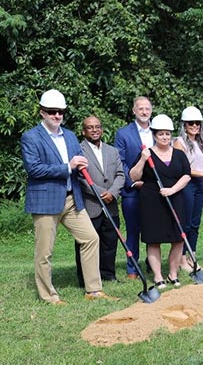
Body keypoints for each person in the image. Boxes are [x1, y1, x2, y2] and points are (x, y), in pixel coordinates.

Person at [23, 89, 117, 304]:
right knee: (45, 252)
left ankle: (93, 290)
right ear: (42, 113)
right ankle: (49, 296)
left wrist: (80, 163)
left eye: (61, 112)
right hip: (46, 201)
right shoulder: (31, 137)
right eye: (52, 111)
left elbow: (79, 159)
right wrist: (68, 166)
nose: (57, 116)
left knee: (91, 238)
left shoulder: (70, 135)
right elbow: (34, 169)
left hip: (72, 198)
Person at [128, 114, 191, 289]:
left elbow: (186, 175)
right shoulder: (146, 154)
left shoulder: (179, 154)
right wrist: (142, 159)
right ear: (154, 135)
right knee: (153, 240)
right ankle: (157, 276)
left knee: (178, 239)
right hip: (152, 202)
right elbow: (134, 176)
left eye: (167, 134)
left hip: (175, 198)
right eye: (161, 134)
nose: (164, 137)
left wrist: (172, 190)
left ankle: (173, 273)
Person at [76, 116, 125, 284]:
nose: (95, 130)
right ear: (84, 131)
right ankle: (85, 279)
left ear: (102, 129)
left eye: (97, 127)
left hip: (111, 204)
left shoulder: (112, 151)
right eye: (90, 127)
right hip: (91, 205)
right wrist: (102, 192)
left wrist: (113, 192)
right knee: (87, 243)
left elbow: (120, 175)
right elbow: (80, 178)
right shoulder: (77, 151)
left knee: (110, 241)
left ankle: (108, 274)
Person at [114, 96, 154, 279]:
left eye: (147, 108)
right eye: (141, 109)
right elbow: (120, 162)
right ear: (134, 111)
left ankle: (152, 263)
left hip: (154, 189)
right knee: (133, 230)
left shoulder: (159, 131)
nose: (144, 112)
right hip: (132, 191)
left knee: (153, 227)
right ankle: (132, 268)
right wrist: (132, 182)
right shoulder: (123, 134)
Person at [173, 106, 203, 272]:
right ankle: (181, 259)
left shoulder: (200, 143)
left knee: (195, 223)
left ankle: (192, 256)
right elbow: (183, 168)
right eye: (190, 123)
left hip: (199, 185)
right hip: (186, 184)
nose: (194, 126)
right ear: (184, 125)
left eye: (197, 123)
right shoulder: (179, 142)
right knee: (185, 223)